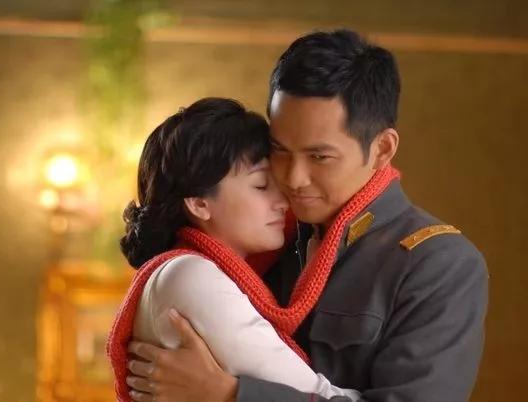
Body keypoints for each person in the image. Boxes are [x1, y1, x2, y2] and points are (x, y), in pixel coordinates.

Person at [125, 29, 488, 402]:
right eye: (280, 150)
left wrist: (231, 395)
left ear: (382, 148)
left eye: (319, 156)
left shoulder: (437, 264)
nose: (294, 179)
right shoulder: (263, 238)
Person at [107, 97, 363, 402]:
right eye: (261, 185)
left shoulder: (194, 273)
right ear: (199, 203)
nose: (282, 201)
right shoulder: (190, 276)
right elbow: (315, 395)